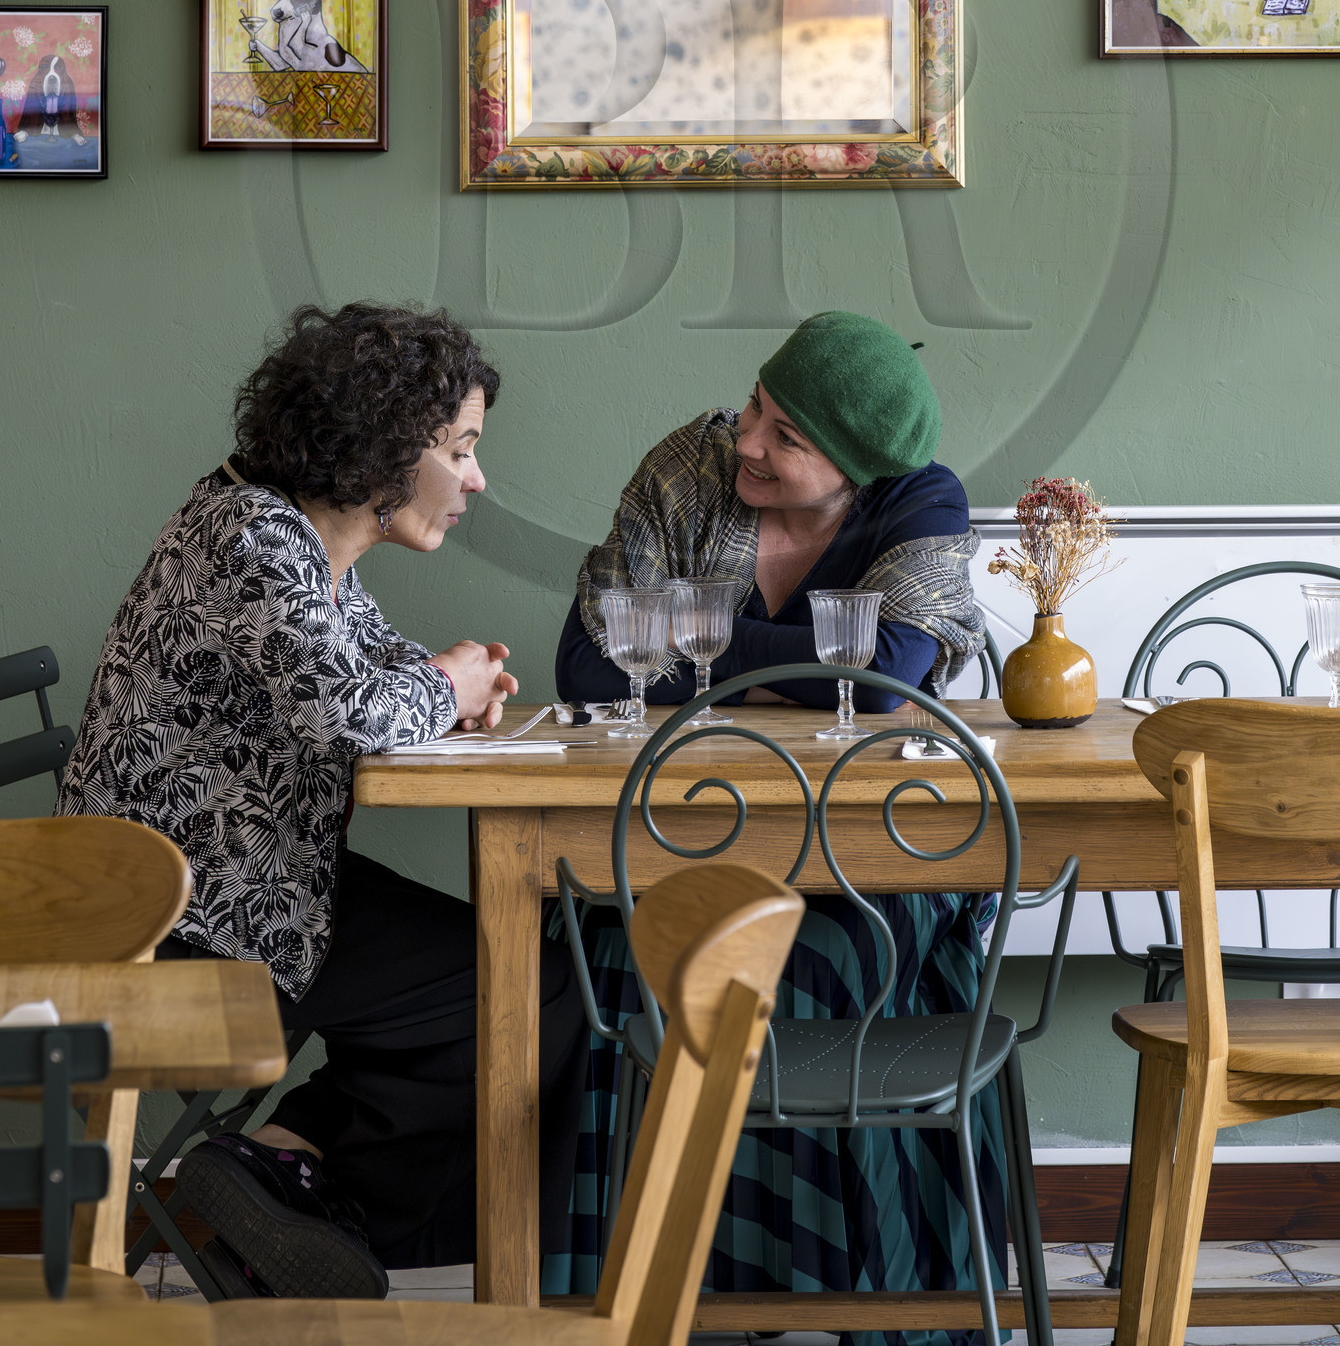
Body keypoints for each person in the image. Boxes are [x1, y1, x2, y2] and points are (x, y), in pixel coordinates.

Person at [58, 302, 588, 1301]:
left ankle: (278, 1181)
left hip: (235, 888)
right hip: (182, 922)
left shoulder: (286, 532)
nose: (475, 478)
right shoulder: (255, 536)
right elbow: (349, 708)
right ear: (391, 445)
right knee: (530, 986)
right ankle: (293, 1208)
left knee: (523, 975)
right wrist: (447, 688)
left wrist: (446, 678)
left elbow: (369, 661)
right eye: (462, 450)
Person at [549, 310, 999, 1318]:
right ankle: (640, 1300)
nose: (746, 439)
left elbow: (885, 686)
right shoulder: (688, 468)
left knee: (821, 959)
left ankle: (817, 1293)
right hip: (683, 847)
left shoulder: (921, 501)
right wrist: (798, 663)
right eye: (758, 403)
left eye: (787, 436)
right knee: (609, 957)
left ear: (854, 467)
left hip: (879, 865)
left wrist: (703, 649)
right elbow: (587, 663)